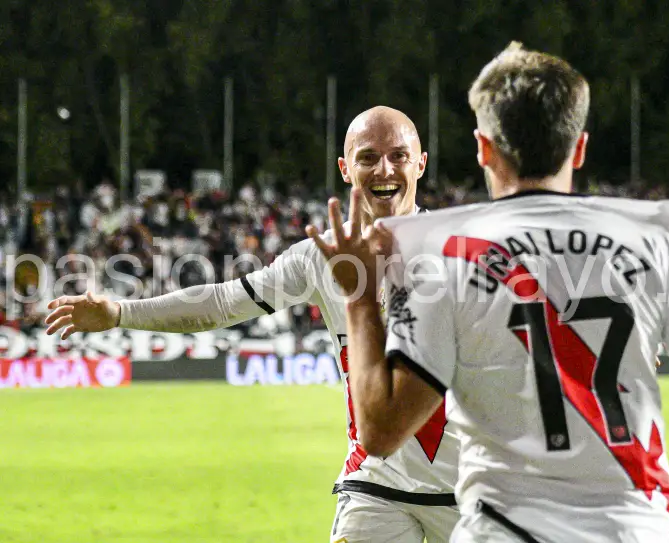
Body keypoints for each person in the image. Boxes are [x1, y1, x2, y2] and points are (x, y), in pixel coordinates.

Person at [311, 43, 669, 543]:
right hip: (633, 529)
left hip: (505, 530)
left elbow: (380, 433)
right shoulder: (658, 236)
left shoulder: (439, 251)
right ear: (579, 147)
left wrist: (358, 295)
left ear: (483, 148)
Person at [43, 106, 461, 543]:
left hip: (469, 490)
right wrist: (121, 313)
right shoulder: (317, 256)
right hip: (376, 488)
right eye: (368, 157)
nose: (384, 169)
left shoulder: (463, 251)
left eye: (398, 155)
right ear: (344, 168)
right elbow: (222, 303)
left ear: (421, 163)